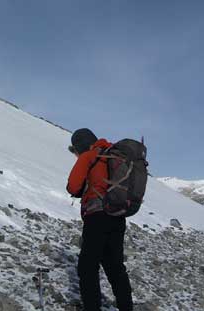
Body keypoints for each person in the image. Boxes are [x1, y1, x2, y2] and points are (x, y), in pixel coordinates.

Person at [66, 128, 133, 311]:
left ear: (79, 146)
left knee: (87, 268)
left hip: (96, 217)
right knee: (116, 268)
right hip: (118, 217)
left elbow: (73, 186)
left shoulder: (88, 156)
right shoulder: (114, 155)